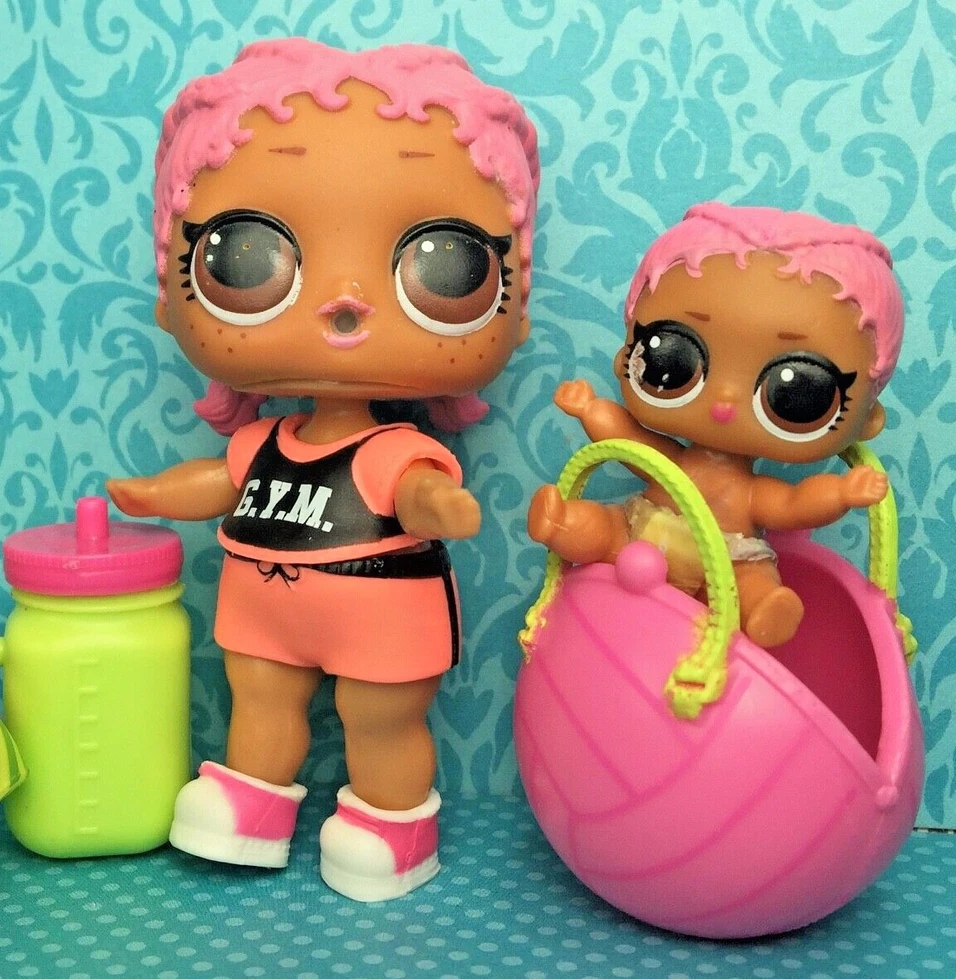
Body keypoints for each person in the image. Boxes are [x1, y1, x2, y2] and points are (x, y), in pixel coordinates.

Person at [107, 38, 539, 901]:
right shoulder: (269, 440)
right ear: (169, 287)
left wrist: (438, 503)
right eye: (244, 256)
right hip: (267, 613)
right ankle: (250, 800)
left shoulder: (389, 448)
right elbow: (222, 482)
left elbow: (413, 487)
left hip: (382, 615)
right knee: (259, 697)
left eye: (445, 263)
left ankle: (392, 823)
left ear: (512, 300)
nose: (344, 303)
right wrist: (154, 494)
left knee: (381, 716)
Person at [528, 202, 904, 649]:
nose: (725, 400)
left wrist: (841, 495)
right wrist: (590, 408)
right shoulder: (672, 463)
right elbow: (627, 438)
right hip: (641, 532)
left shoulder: (751, 494)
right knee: (604, 529)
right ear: (624, 356)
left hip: (726, 563)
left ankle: (765, 607)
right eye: (672, 356)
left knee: (751, 580)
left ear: (868, 419)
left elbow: (793, 503)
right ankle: (561, 523)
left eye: (799, 389)